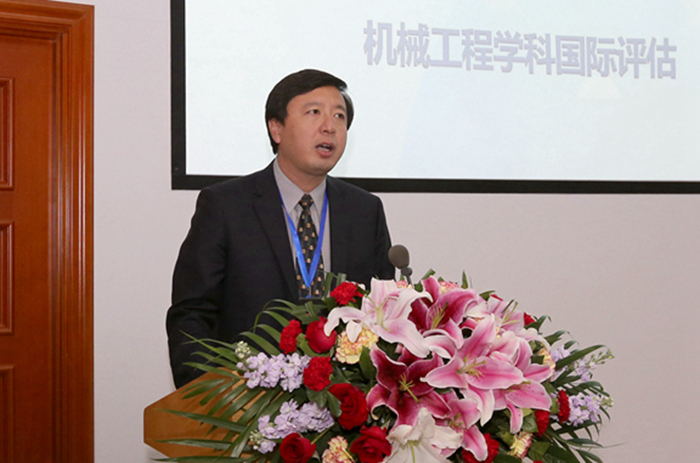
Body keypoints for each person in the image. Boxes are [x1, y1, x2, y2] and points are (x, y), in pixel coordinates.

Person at [166, 69, 395, 388]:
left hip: (341, 402)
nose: (329, 126)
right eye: (314, 112)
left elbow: (382, 312)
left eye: (339, 116)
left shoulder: (365, 210)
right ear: (276, 128)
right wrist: (212, 394)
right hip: (247, 399)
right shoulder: (226, 206)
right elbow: (192, 313)